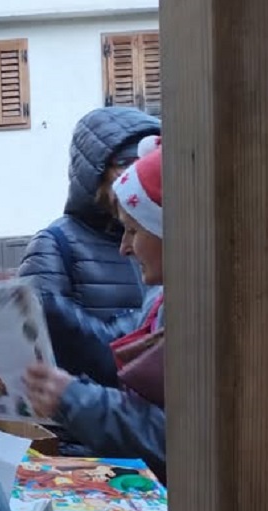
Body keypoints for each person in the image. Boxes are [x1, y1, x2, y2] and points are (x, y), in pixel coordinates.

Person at [24, 139, 166, 479]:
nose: (123, 247)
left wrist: (71, 397)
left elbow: (175, 436)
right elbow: (113, 345)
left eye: (133, 230)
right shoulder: (164, 297)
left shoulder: (187, 306)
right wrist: (42, 305)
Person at [19, 107, 160, 324]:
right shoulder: (54, 245)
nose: (137, 172)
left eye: (146, 161)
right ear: (95, 169)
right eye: (127, 162)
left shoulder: (165, 238)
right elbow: (34, 345)